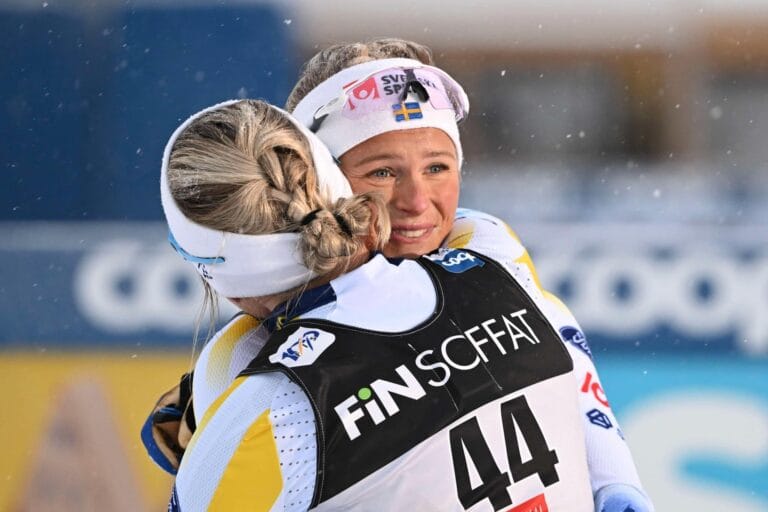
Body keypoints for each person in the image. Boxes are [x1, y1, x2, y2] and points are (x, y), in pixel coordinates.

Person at [144, 40, 654, 511]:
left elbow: (562, 343)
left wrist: (615, 481)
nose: (415, 204)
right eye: (383, 173)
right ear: (321, 182)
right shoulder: (485, 259)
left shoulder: (479, 243)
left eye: (437, 167)